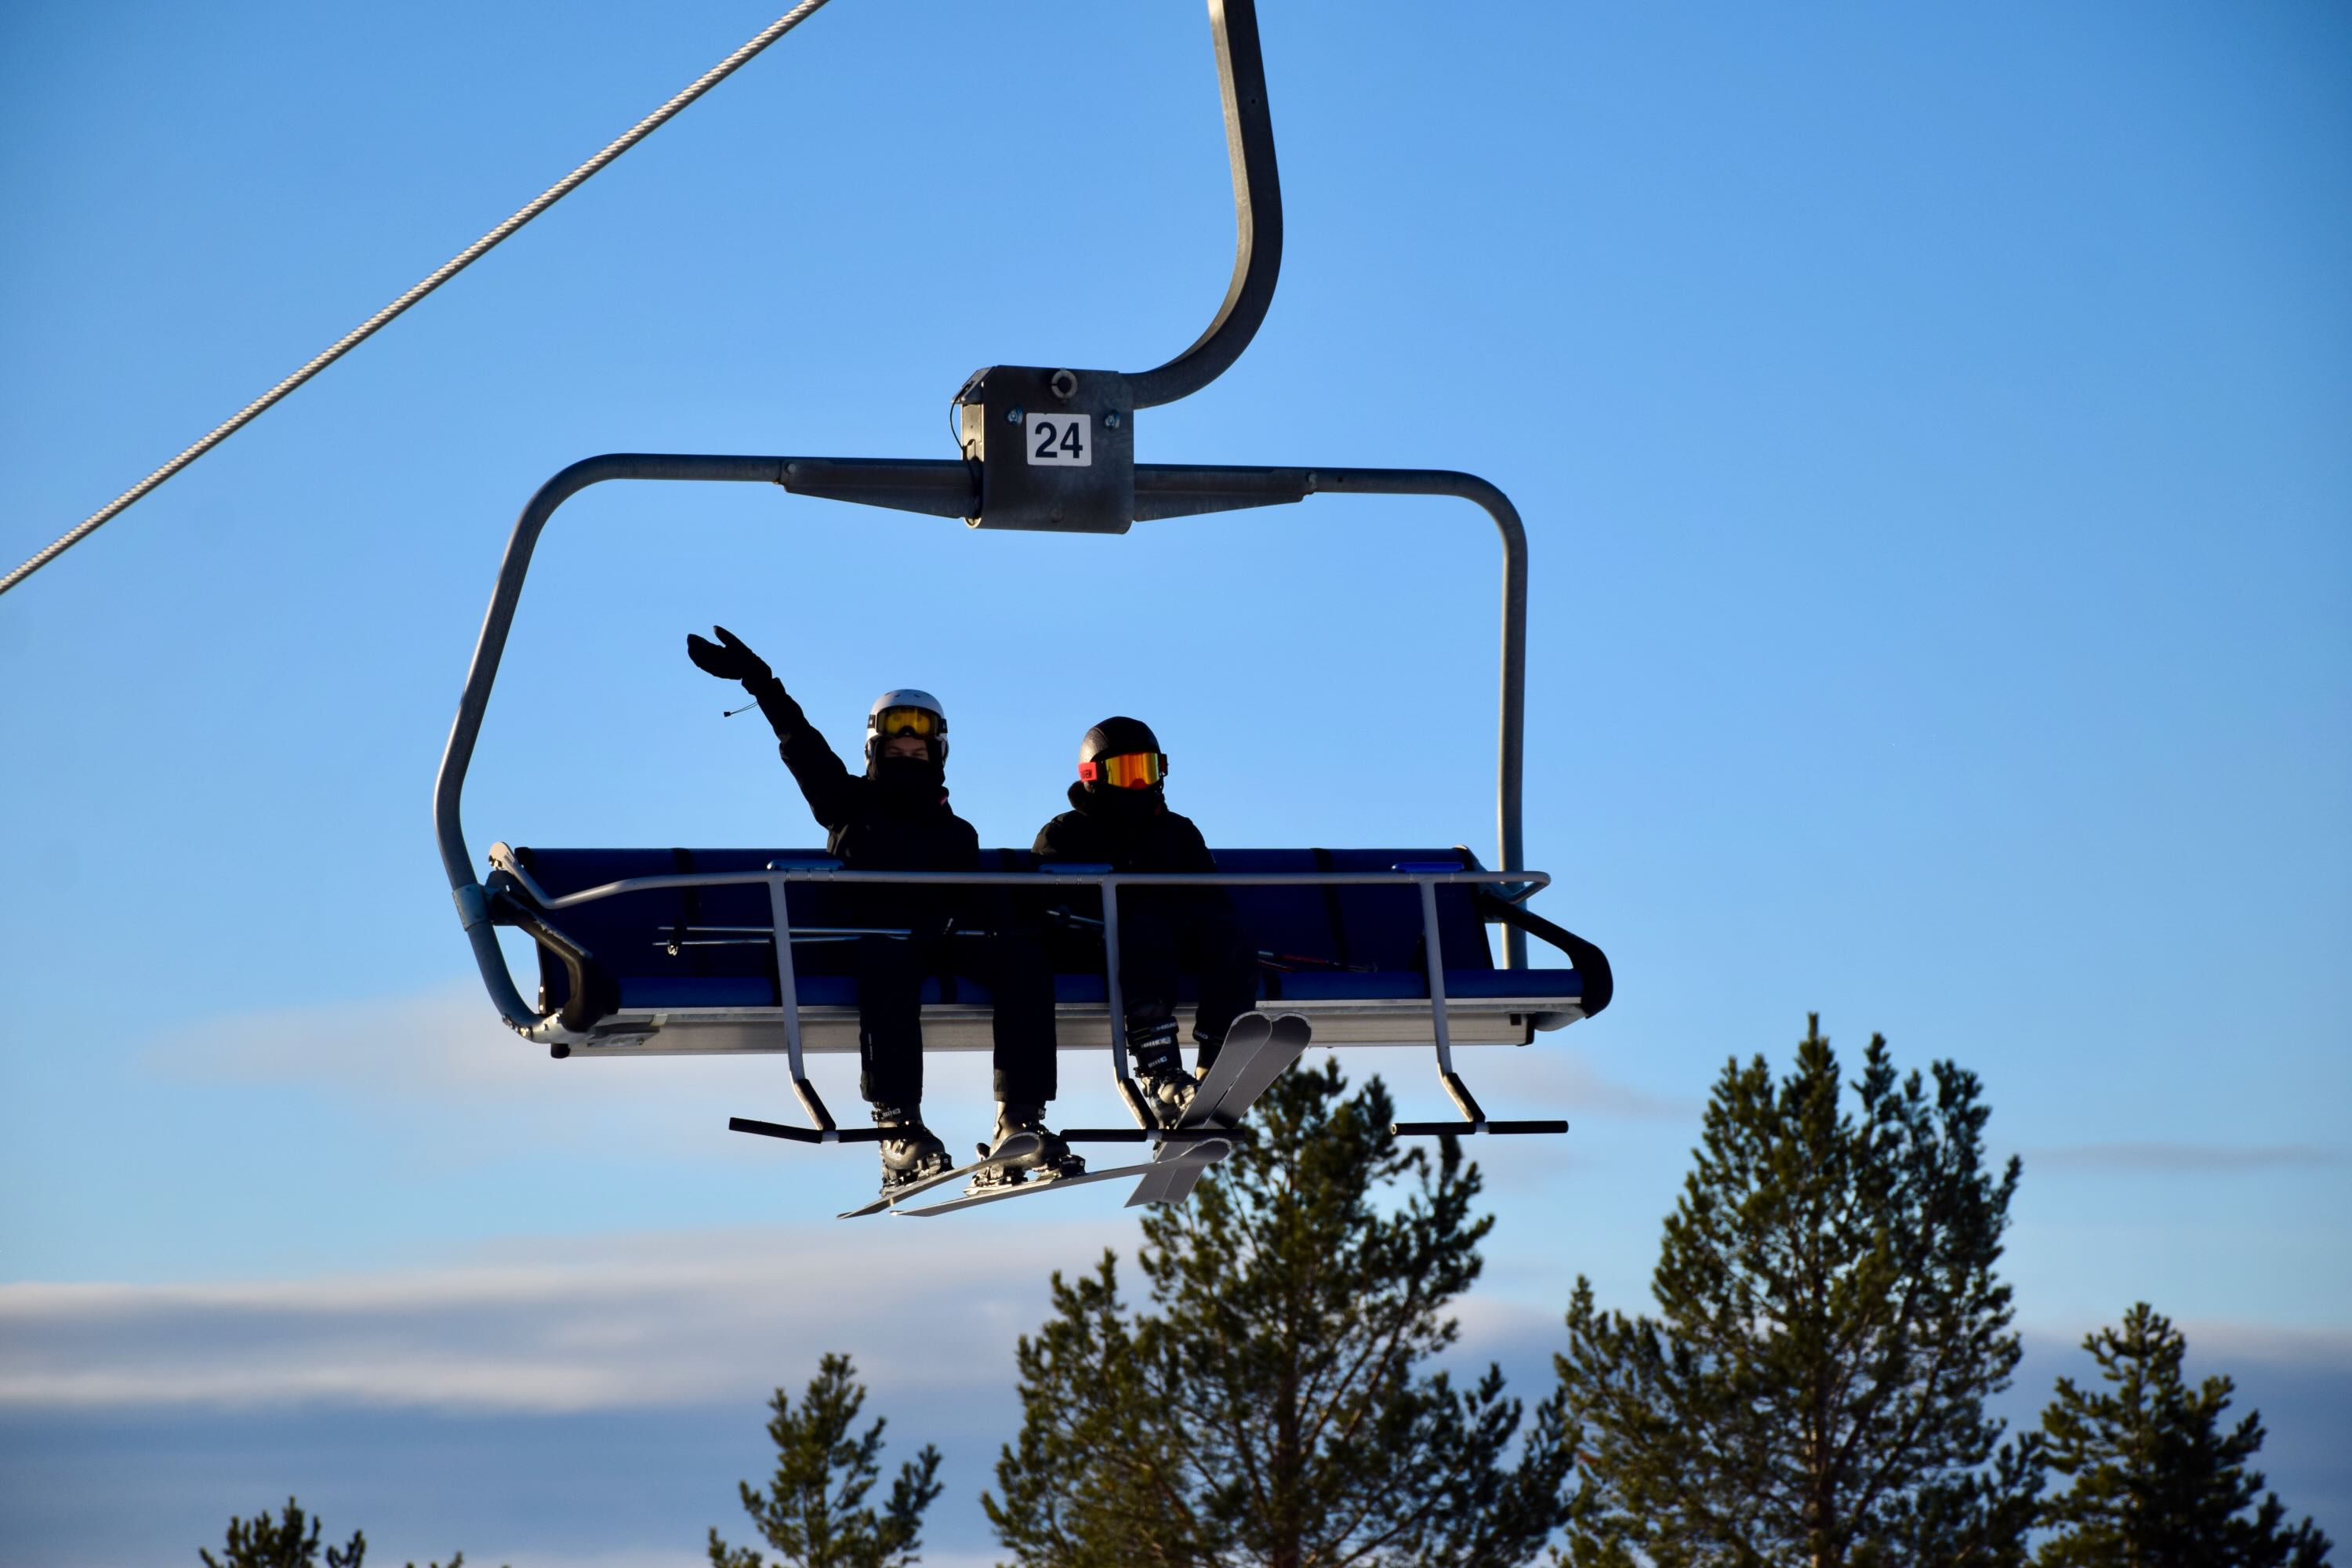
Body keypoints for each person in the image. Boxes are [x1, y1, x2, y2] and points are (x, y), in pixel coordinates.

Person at [685, 626, 1077, 1192]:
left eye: (918, 753)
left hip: (939, 943)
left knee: (1022, 963)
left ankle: (1019, 1120)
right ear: (874, 752)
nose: (907, 760)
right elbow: (803, 746)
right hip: (872, 943)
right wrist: (762, 684)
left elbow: (975, 902)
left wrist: (995, 925)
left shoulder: (955, 832)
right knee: (888, 962)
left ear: (938, 756)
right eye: (895, 753)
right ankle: (899, 1127)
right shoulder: (847, 804)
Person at [1033, 717, 1258, 1126]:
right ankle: (1160, 1073)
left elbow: (1212, 900)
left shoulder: (1177, 833)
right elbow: (1047, 905)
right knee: (1145, 927)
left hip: (1169, 942)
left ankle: (1215, 1063)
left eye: (1146, 771)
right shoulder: (1066, 834)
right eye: (1125, 773)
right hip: (1095, 944)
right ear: (1094, 778)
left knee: (1231, 938)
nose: (1138, 785)